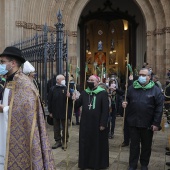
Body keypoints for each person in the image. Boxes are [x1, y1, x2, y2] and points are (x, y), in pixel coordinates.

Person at [0, 46, 55, 169]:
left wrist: (4, 109)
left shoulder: (24, 83)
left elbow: (28, 111)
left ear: (13, 63)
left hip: (19, 132)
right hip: (4, 128)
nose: (1, 65)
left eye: (3, 62)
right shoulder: (8, 80)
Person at [122, 68, 163, 170]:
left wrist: (156, 123)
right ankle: (132, 164)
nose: (141, 76)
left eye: (144, 75)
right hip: (133, 121)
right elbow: (126, 98)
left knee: (146, 146)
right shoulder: (132, 88)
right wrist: (124, 103)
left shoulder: (155, 90)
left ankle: (144, 164)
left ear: (149, 77)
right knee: (134, 146)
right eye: (140, 74)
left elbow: (159, 108)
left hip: (147, 123)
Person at [73, 75, 109, 170]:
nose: (90, 81)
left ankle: (96, 164)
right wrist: (72, 99)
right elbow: (77, 105)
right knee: (85, 143)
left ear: (97, 82)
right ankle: (85, 163)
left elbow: (105, 110)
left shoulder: (103, 93)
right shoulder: (85, 93)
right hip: (85, 123)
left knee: (96, 144)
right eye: (89, 80)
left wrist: (103, 123)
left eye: (92, 80)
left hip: (98, 123)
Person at [48, 74, 70, 149]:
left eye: (64, 79)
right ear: (58, 80)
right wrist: (50, 111)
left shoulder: (67, 88)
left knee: (65, 127)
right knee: (56, 127)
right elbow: (49, 101)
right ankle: (58, 141)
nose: (64, 80)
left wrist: (70, 96)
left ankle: (64, 141)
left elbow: (70, 101)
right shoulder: (52, 89)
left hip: (64, 111)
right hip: (55, 111)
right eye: (62, 79)